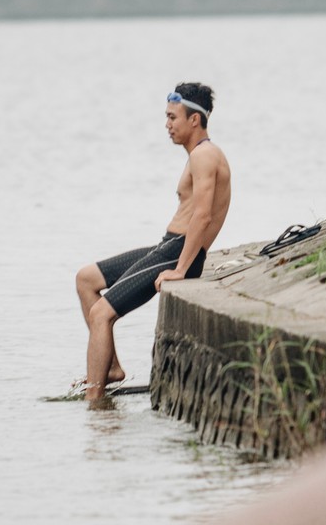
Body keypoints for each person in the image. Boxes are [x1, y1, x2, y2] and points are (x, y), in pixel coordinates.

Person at [71, 83, 232, 402]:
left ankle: (94, 400)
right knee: (86, 279)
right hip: (168, 246)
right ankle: (112, 368)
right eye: (167, 117)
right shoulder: (198, 155)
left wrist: (181, 269)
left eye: (173, 117)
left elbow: (202, 217)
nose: (167, 125)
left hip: (179, 252)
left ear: (194, 120)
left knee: (101, 313)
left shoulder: (205, 156)